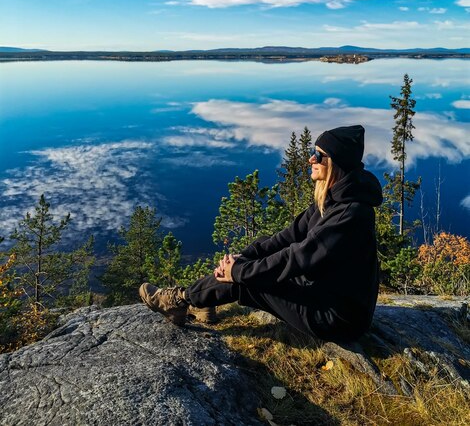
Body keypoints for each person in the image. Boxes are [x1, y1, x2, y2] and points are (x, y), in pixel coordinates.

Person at [139, 124, 382, 341]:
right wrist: (242, 257)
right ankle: (202, 302)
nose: (311, 159)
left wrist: (239, 272)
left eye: (319, 155)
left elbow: (296, 257)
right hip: (322, 293)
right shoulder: (333, 199)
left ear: (336, 162)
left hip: (336, 318)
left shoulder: (350, 215)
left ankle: (178, 300)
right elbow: (287, 237)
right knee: (248, 268)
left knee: (248, 281)